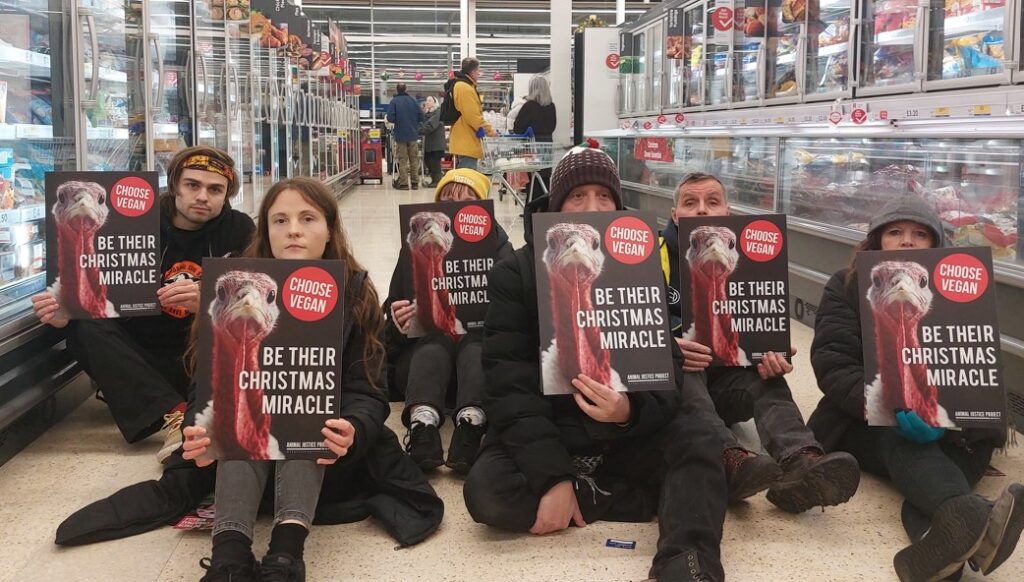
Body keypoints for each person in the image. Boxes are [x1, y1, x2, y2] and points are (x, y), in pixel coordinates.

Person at [462, 145, 733, 582]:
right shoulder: (515, 271)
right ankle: (618, 495)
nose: (592, 207)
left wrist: (629, 412)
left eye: (604, 197)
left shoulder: (641, 264)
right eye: (577, 196)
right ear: (557, 205)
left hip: (627, 433)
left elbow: (666, 365)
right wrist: (552, 477)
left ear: (618, 204)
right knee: (487, 492)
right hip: (552, 429)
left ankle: (687, 562)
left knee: (700, 440)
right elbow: (507, 385)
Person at [182, 178, 393, 581]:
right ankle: (229, 556)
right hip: (239, 464)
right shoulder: (225, 290)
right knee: (234, 414)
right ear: (266, 232)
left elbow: (369, 389)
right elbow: (202, 388)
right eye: (279, 220)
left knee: (304, 418)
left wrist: (353, 429)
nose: (293, 229)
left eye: (307, 218)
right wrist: (196, 433)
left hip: (327, 461)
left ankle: (287, 553)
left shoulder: (356, 293)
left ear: (330, 229)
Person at [808, 195, 1023, 581]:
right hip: (868, 423)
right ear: (876, 241)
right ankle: (970, 519)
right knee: (901, 440)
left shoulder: (964, 288)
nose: (907, 240)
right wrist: (891, 404)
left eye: (919, 234)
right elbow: (834, 363)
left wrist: (950, 419)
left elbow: (980, 371)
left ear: (935, 243)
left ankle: (940, 544)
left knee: (926, 471)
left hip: (960, 436)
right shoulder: (845, 285)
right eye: (895, 232)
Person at [31, 146, 255, 463]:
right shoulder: (133, 220)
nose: (203, 196)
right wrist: (63, 311)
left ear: (227, 194)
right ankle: (175, 415)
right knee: (83, 327)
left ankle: (172, 405)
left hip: (198, 358)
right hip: (140, 358)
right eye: (193, 185)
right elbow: (88, 292)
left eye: (215, 189)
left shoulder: (240, 230)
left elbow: (258, 308)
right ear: (175, 184)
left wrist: (210, 303)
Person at [660, 172, 860, 513]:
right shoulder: (653, 256)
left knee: (766, 379)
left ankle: (800, 460)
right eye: (690, 203)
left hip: (728, 382)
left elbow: (757, 329)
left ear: (728, 212)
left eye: (713, 202)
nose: (703, 211)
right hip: (677, 388)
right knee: (688, 369)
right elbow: (625, 332)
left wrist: (770, 350)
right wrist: (669, 347)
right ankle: (728, 460)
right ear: (676, 215)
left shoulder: (750, 261)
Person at [383, 169, 512, 473]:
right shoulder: (412, 250)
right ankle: (422, 425)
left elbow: (513, 324)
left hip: (480, 362)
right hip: (423, 366)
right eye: (448, 202)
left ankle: (471, 425)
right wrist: (400, 322)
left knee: (474, 347)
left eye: (468, 202)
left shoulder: (503, 252)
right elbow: (393, 323)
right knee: (434, 344)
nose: (457, 211)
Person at [445, 57, 496, 171]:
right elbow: (473, 117)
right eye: (478, 70)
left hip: (466, 139)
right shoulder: (465, 88)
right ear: (472, 72)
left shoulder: (464, 86)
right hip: (466, 140)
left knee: (465, 178)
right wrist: (490, 131)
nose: (479, 73)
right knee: (466, 180)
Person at [512, 76, 557, 196]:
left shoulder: (529, 106)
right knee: (545, 180)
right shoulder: (551, 106)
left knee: (532, 181)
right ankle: (543, 210)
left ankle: (531, 210)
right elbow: (552, 127)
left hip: (532, 147)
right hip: (547, 146)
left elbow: (517, 128)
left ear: (532, 88)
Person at [386, 83, 424, 190]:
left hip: (400, 135)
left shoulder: (394, 102)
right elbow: (421, 116)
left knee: (402, 159)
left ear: (397, 90)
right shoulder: (413, 101)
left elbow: (390, 118)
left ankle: (403, 183)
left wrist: (399, 119)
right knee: (414, 159)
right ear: (406, 89)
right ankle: (415, 183)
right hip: (413, 135)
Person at [418, 96, 446, 188]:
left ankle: (437, 181)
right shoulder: (428, 114)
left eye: (430, 100)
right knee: (428, 161)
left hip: (436, 144)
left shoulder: (437, 113)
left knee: (434, 163)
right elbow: (423, 122)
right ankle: (434, 179)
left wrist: (418, 130)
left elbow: (430, 126)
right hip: (430, 144)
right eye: (426, 100)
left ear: (435, 103)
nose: (427, 102)